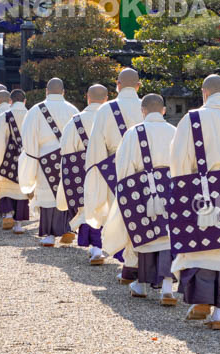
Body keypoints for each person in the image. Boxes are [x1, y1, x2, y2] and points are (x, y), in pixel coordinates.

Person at [168, 73, 220, 330]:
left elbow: (179, 161)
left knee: (198, 247)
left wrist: (182, 190)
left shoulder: (190, 119)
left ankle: (199, 300)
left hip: (197, 192)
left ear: (204, 93)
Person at [110, 93, 178, 304]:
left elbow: (123, 169)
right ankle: (167, 287)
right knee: (167, 236)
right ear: (164, 110)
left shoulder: (133, 133)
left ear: (143, 110)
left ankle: (141, 284)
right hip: (171, 188)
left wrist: (127, 194)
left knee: (143, 235)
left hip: (141, 190)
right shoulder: (175, 132)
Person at [84, 67, 144, 283]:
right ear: (138, 86)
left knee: (121, 216)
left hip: (114, 169)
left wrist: (95, 173)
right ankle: (137, 266)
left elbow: (96, 146)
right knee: (143, 217)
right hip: (145, 170)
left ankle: (128, 265)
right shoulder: (147, 106)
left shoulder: (106, 109)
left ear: (117, 85)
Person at [19, 78, 79, 247]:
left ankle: (49, 235)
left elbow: (28, 137)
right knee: (66, 193)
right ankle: (68, 228)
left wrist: (31, 160)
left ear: (46, 91)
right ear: (63, 92)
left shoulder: (36, 110)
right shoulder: (72, 109)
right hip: (68, 158)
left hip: (44, 158)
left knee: (47, 197)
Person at [58, 84, 108, 264]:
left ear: (87, 97)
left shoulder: (75, 120)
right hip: (107, 168)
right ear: (106, 98)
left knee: (87, 207)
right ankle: (104, 246)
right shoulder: (110, 119)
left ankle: (95, 248)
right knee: (106, 207)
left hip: (82, 169)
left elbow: (65, 148)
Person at [0, 89, 29, 232]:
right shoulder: (32, 115)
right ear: (25, 101)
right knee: (22, 191)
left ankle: (7, 213)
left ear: (10, 101)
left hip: (8, 160)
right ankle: (18, 224)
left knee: (6, 188)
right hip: (26, 159)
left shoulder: (5, 116)